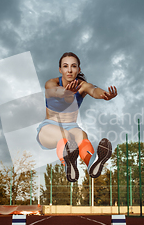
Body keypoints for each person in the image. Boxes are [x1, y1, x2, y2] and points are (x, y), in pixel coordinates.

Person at [36, 52, 118, 182]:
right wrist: (68, 93)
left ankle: (92, 163)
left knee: (81, 135)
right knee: (65, 136)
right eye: (65, 66)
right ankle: (68, 163)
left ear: (78, 69)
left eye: (73, 66)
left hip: (72, 127)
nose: (69, 70)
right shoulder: (50, 83)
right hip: (49, 128)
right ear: (60, 69)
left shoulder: (82, 85)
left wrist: (104, 94)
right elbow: (58, 93)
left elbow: (93, 90)